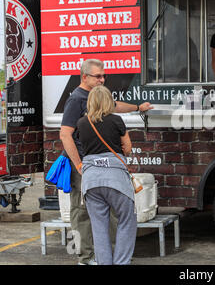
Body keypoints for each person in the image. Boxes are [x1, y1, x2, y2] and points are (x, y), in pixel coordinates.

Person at [59, 59, 152, 265]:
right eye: (98, 76)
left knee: (104, 216)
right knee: (81, 213)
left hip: (93, 168)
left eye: (103, 76)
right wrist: (79, 165)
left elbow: (115, 106)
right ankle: (85, 257)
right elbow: (65, 135)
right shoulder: (76, 100)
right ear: (85, 77)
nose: (102, 79)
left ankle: (107, 258)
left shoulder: (97, 97)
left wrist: (138, 106)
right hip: (84, 165)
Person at [77, 85, 136, 265]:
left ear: (91, 102)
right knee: (127, 220)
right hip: (116, 179)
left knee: (99, 227)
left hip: (91, 181)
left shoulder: (81, 123)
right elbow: (127, 148)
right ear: (109, 101)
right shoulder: (116, 120)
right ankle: (121, 262)